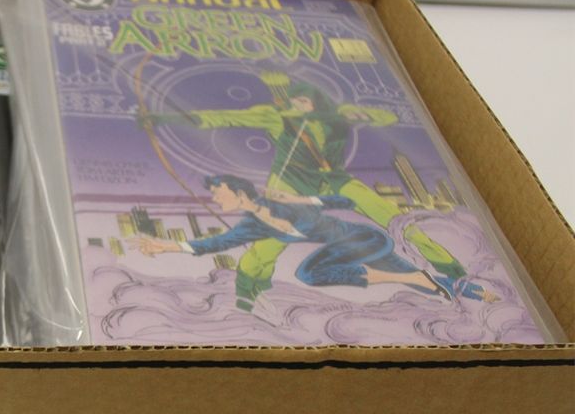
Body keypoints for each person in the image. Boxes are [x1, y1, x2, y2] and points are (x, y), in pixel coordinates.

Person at [144, 74, 466, 311]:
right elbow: (225, 117)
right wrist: (164, 117)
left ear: (317, 103)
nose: (299, 107)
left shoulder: (336, 116)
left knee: (397, 220)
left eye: (305, 102)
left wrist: (353, 114)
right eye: (295, 102)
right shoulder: (278, 117)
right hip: (290, 186)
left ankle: (450, 267)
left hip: (334, 181)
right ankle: (249, 289)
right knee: (267, 243)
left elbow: (388, 116)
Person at [129, 175, 496, 310]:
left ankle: (414, 279)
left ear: (238, 191)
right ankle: (481, 294)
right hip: (346, 254)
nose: (215, 198)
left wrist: (301, 200)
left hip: (363, 240)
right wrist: (165, 247)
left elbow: (345, 200)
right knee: (428, 285)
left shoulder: (282, 201)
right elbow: (215, 243)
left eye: (218, 192)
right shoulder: (253, 225)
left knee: (308, 272)